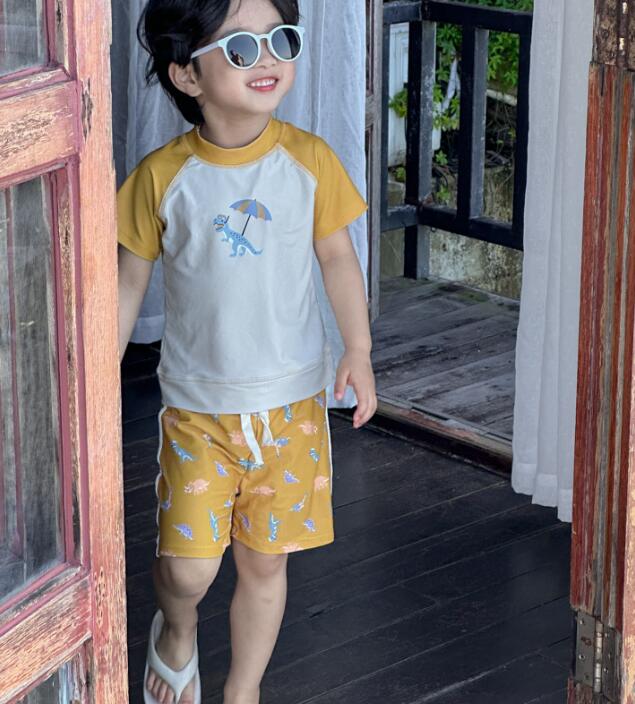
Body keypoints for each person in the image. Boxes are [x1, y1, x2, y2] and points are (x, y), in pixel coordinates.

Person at [117, 0, 376, 702]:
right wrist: (99, 381)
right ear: (187, 75)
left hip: (292, 408)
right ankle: (176, 627)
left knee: (265, 565)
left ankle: (242, 690)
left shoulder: (308, 161)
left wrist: (357, 349)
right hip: (199, 412)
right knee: (189, 570)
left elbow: (338, 259)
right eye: (238, 49)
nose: (266, 59)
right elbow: (128, 283)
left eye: (279, 40)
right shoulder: (162, 177)